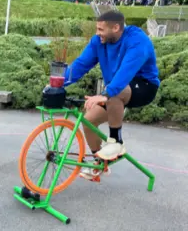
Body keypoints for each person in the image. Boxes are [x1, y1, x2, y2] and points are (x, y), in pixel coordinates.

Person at [63, 11, 160, 181]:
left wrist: (106, 94)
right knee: (89, 120)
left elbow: (125, 72)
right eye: (96, 29)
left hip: (144, 87)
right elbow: (81, 64)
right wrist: (57, 83)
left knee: (116, 90)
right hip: (115, 90)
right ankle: (99, 163)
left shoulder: (138, 41)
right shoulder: (99, 42)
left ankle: (116, 142)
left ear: (116, 28)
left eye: (101, 29)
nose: (97, 33)